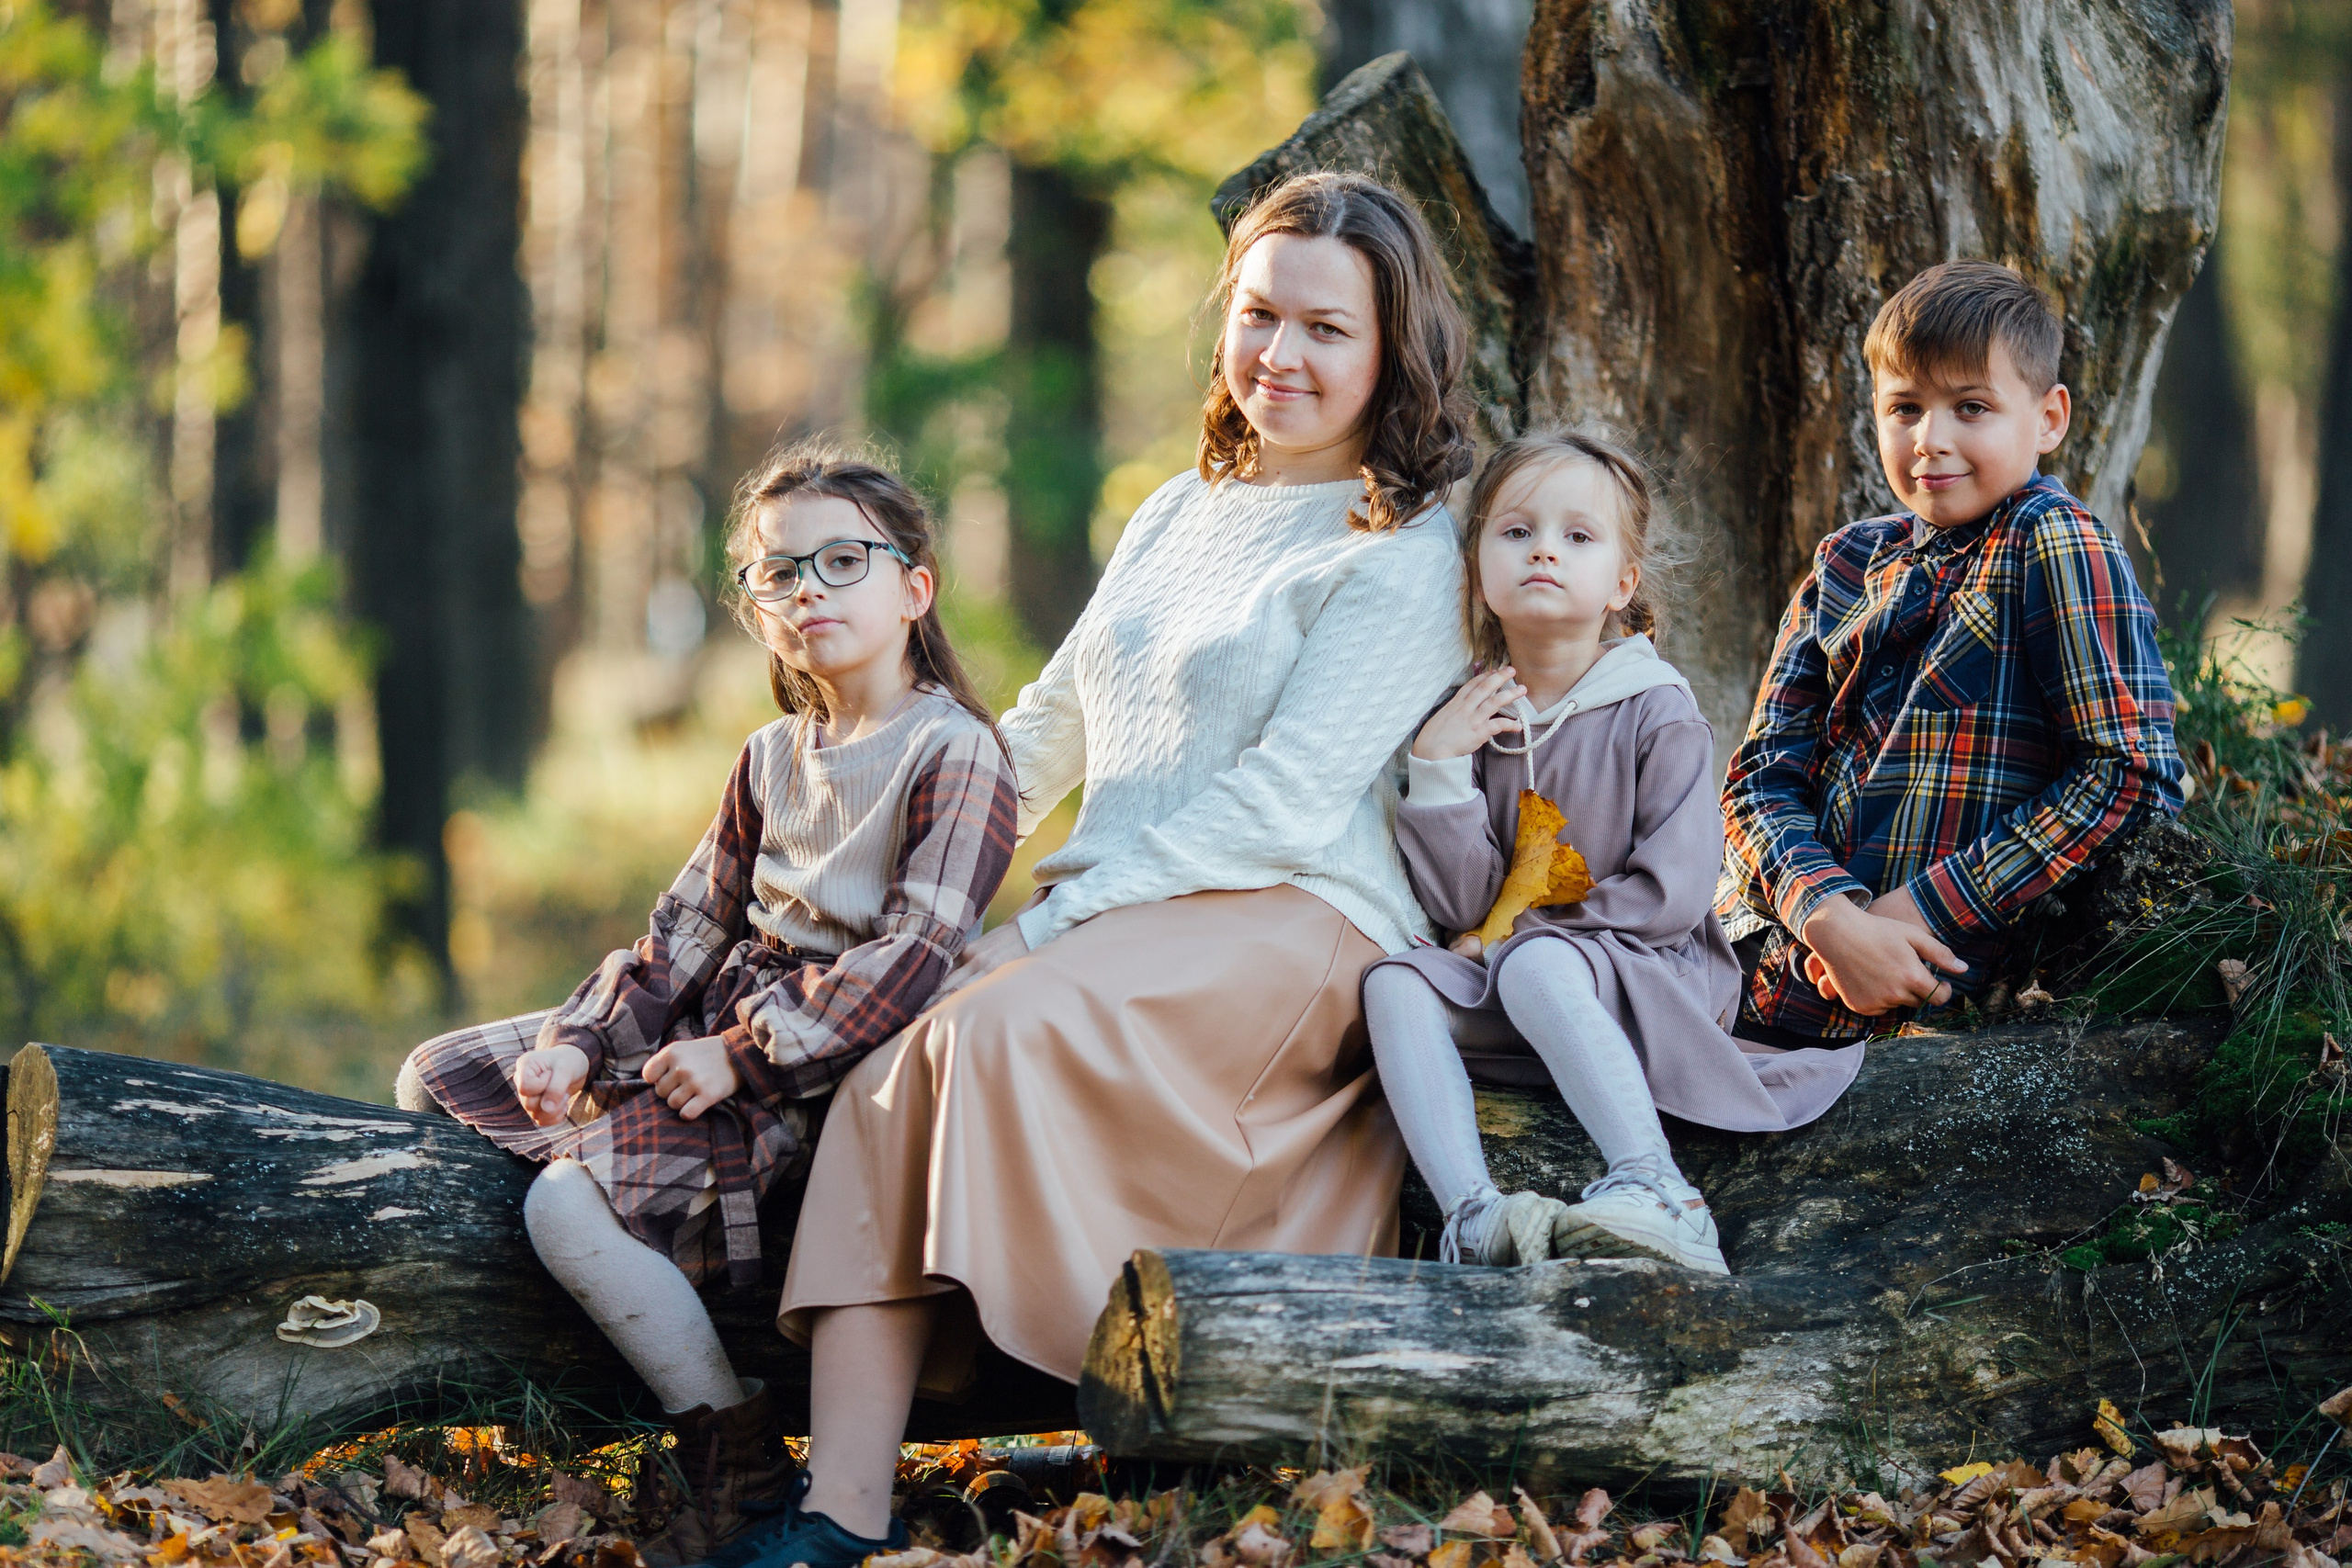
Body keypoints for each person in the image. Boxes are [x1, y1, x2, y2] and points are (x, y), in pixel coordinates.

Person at [722, 171, 1476, 1568]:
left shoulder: (1407, 552)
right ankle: (838, 1512)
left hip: (1292, 919)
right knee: (888, 1060)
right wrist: (893, 849)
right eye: (1260, 314)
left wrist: (1044, 922)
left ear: (1394, 349)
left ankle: (1138, 1381)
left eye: (1327, 328)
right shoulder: (1176, 509)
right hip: (1126, 905)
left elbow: (1283, 802)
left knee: (995, 1023)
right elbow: (1045, 728)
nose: (1283, 355)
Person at [393, 444, 1019, 1567]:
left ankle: (732, 1448)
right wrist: (578, 1040)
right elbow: (684, 930)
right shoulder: (773, 753)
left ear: (914, 589)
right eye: (779, 574)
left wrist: (747, 1055)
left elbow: (916, 953)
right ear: (754, 607)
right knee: (435, 1075)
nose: (809, 591)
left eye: (841, 561)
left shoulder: (955, 751)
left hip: (819, 1066)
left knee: (559, 1213)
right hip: (714, 1021)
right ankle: (621, 1248)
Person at [1363, 431, 1864, 1276]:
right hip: (1520, 972)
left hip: (1647, 970)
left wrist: (1515, 939)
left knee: (1532, 967)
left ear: (1622, 583)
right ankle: (1473, 1216)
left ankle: (1659, 1186)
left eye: (1578, 537)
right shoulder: (1472, 712)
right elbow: (1461, 909)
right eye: (1516, 532)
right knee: (1394, 983)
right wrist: (1440, 768)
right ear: (1477, 565)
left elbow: (1672, 892)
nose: (1544, 551)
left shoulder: (1654, 707)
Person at [1717, 260, 2183, 1045]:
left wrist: (1917, 911)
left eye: (1971, 407)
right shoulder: (1844, 563)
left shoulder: (2050, 540)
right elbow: (1759, 779)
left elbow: (2129, 772)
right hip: (1770, 964)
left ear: (2049, 418)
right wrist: (1830, 913)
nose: (1931, 440)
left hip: (1934, 993)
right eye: (1905, 408)